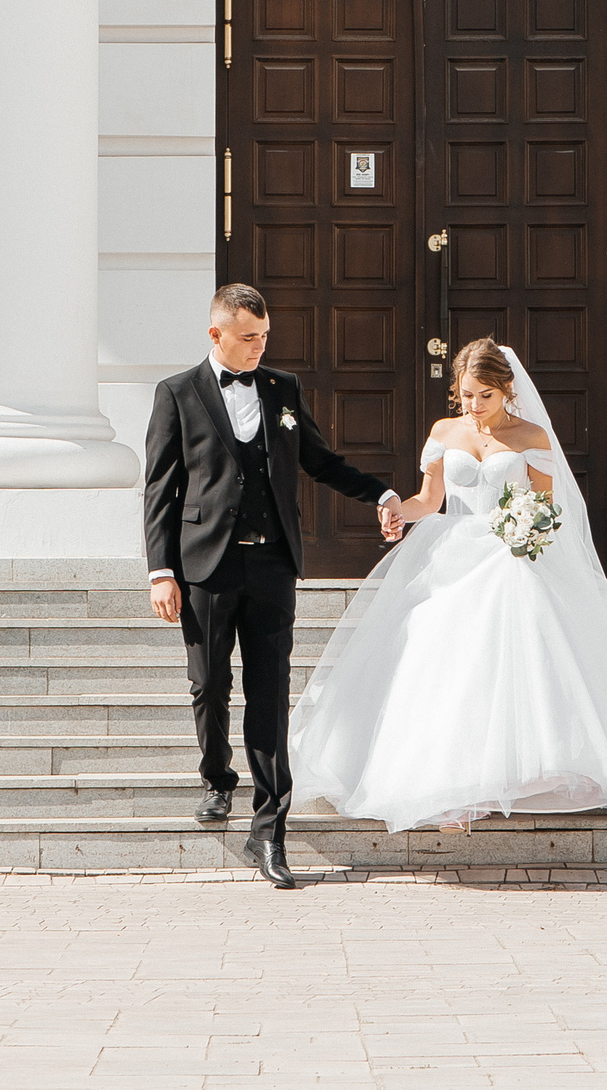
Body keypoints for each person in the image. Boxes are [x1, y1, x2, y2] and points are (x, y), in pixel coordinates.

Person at [290, 337, 607, 833]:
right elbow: (430, 500)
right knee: (442, 657)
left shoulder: (531, 436)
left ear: (506, 389)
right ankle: (449, 786)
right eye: (466, 395)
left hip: (511, 556)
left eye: (484, 396)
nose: (474, 406)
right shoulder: (445, 432)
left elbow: (547, 508)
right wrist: (397, 514)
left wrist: (525, 528)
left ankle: (532, 767)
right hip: (451, 554)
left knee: (520, 645)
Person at [142, 283, 403, 889]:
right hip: (203, 568)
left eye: (265, 336)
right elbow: (161, 488)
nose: (260, 347)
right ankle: (216, 778)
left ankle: (268, 831)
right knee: (208, 685)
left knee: (269, 698)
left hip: (272, 568)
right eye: (248, 337)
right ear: (216, 334)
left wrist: (382, 493)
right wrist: (161, 571)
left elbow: (320, 459)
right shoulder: (177, 394)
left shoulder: (283, 388)